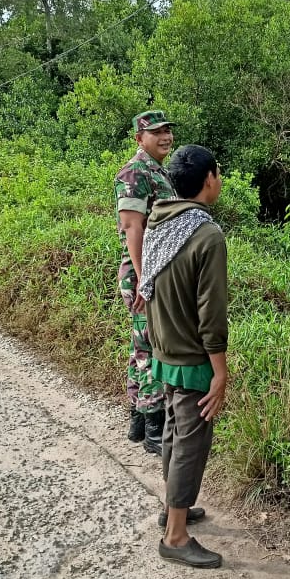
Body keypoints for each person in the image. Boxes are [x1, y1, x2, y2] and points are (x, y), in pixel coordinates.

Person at [139, 145, 227, 569]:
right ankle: (175, 536)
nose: (220, 179)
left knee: (174, 433)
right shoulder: (205, 235)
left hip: (163, 350)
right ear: (208, 178)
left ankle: (173, 508)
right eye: (219, 173)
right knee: (191, 442)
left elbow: (148, 286)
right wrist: (220, 372)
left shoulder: (160, 221)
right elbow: (211, 312)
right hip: (192, 356)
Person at [114, 110, 177, 454]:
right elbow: (133, 228)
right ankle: (154, 427)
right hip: (144, 273)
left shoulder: (157, 170)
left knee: (141, 344)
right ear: (140, 138)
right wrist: (143, 278)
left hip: (152, 271)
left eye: (167, 131)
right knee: (153, 346)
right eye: (156, 132)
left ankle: (138, 420)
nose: (165, 136)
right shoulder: (134, 172)